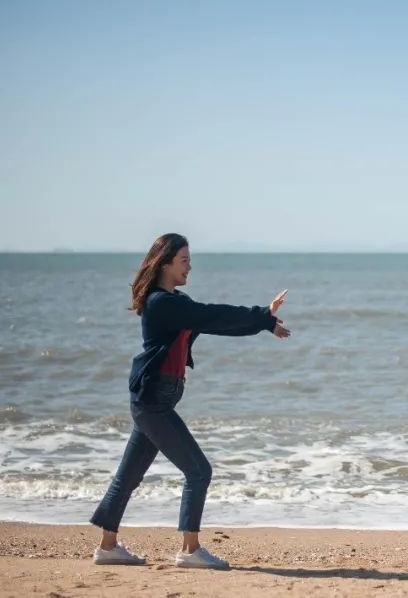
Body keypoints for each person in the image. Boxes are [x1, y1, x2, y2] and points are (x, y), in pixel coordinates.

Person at [90, 233, 291, 568]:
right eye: (184, 260)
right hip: (153, 401)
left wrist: (263, 324)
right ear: (165, 262)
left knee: (129, 476)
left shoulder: (174, 301)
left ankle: (108, 547)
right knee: (199, 471)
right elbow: (211, 314)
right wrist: (261, 316)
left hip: (154, 401)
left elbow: (213, 324)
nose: (189, 266)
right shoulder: (162, 303)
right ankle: (189, 550)